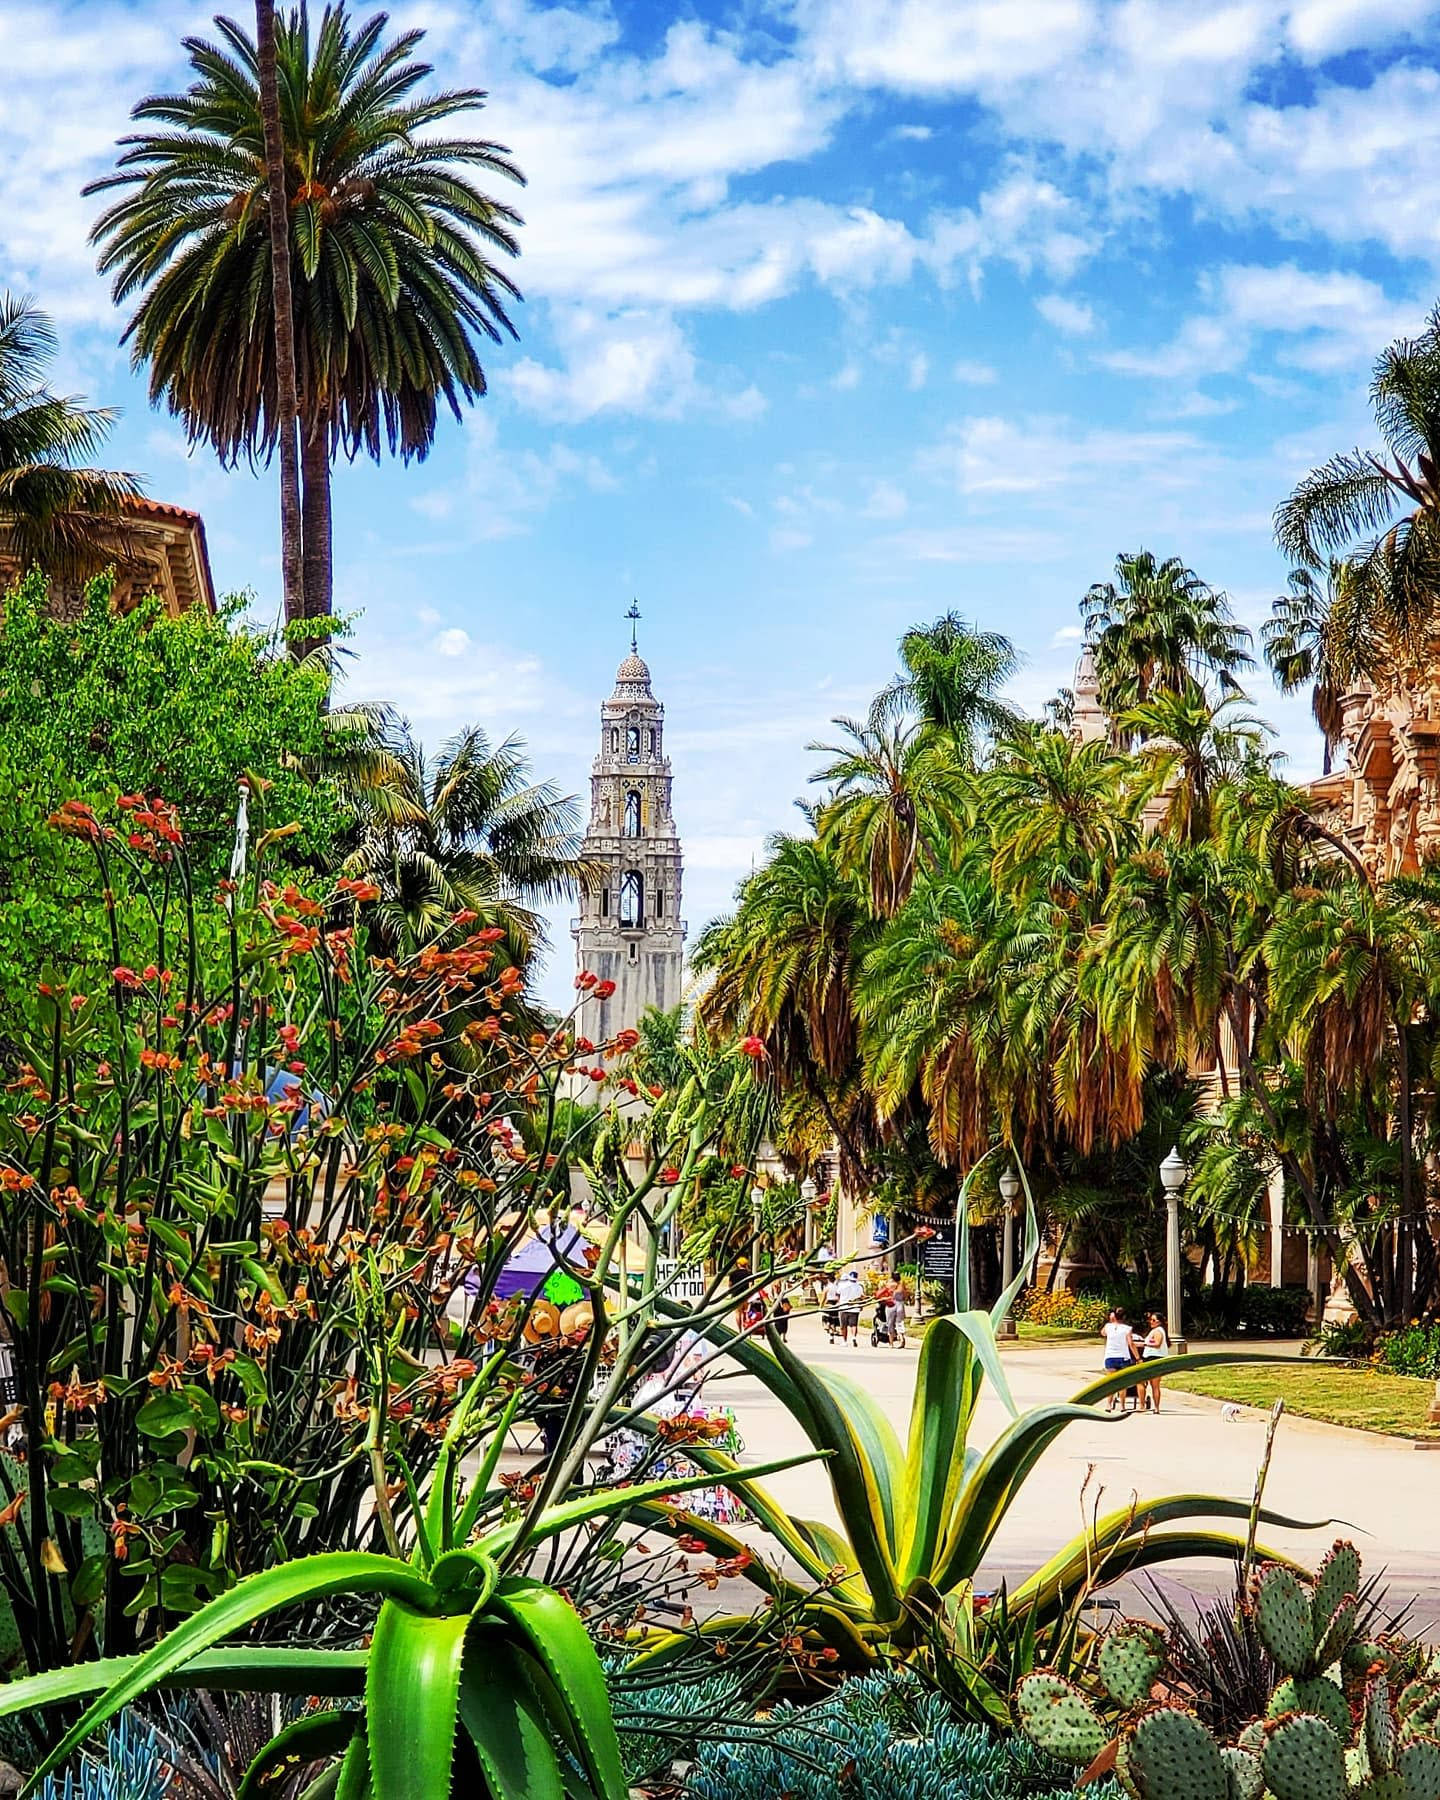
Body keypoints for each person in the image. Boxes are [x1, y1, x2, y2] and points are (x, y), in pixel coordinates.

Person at [1100, 1307, 1139, 1412]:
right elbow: (1131, 1343)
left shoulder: (1108, 1326)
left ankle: (1108, 1404)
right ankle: (1122, 1405)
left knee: (1110, 1382)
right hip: (1123, 1357)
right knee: (1122, 1383)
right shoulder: (1127, 1328)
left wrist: (1111, 1321)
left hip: (1110, 1357)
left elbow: (1102, 1333)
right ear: (1124, 1317)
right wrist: (1137, 1357)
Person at [1140, 1311, 1170, 1413]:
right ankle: (1151, 1406)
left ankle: (1155, 1407)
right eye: (1150, 1320)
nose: (1151, 1322)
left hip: (1154, 1358)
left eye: (1153, 1320)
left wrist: (1145, 1344)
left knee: (1154, 1384)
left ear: (1159, 1322)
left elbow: (1157, 1343)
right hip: (1150, 1357)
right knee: (1151, 1383)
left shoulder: (1158, 1331)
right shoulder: (1155, 1330)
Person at [834, 1267, 865, 1347]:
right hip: (855, 1308)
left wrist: (837, 1302)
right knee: (853, 1325)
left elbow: (837, 1294)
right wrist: (861, 1306)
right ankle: (854, 1337)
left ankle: (844, 1341)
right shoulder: (859, 1287)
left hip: (843, 1307)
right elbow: (862, 1297)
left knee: (843, 1326)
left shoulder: (843, 1285)